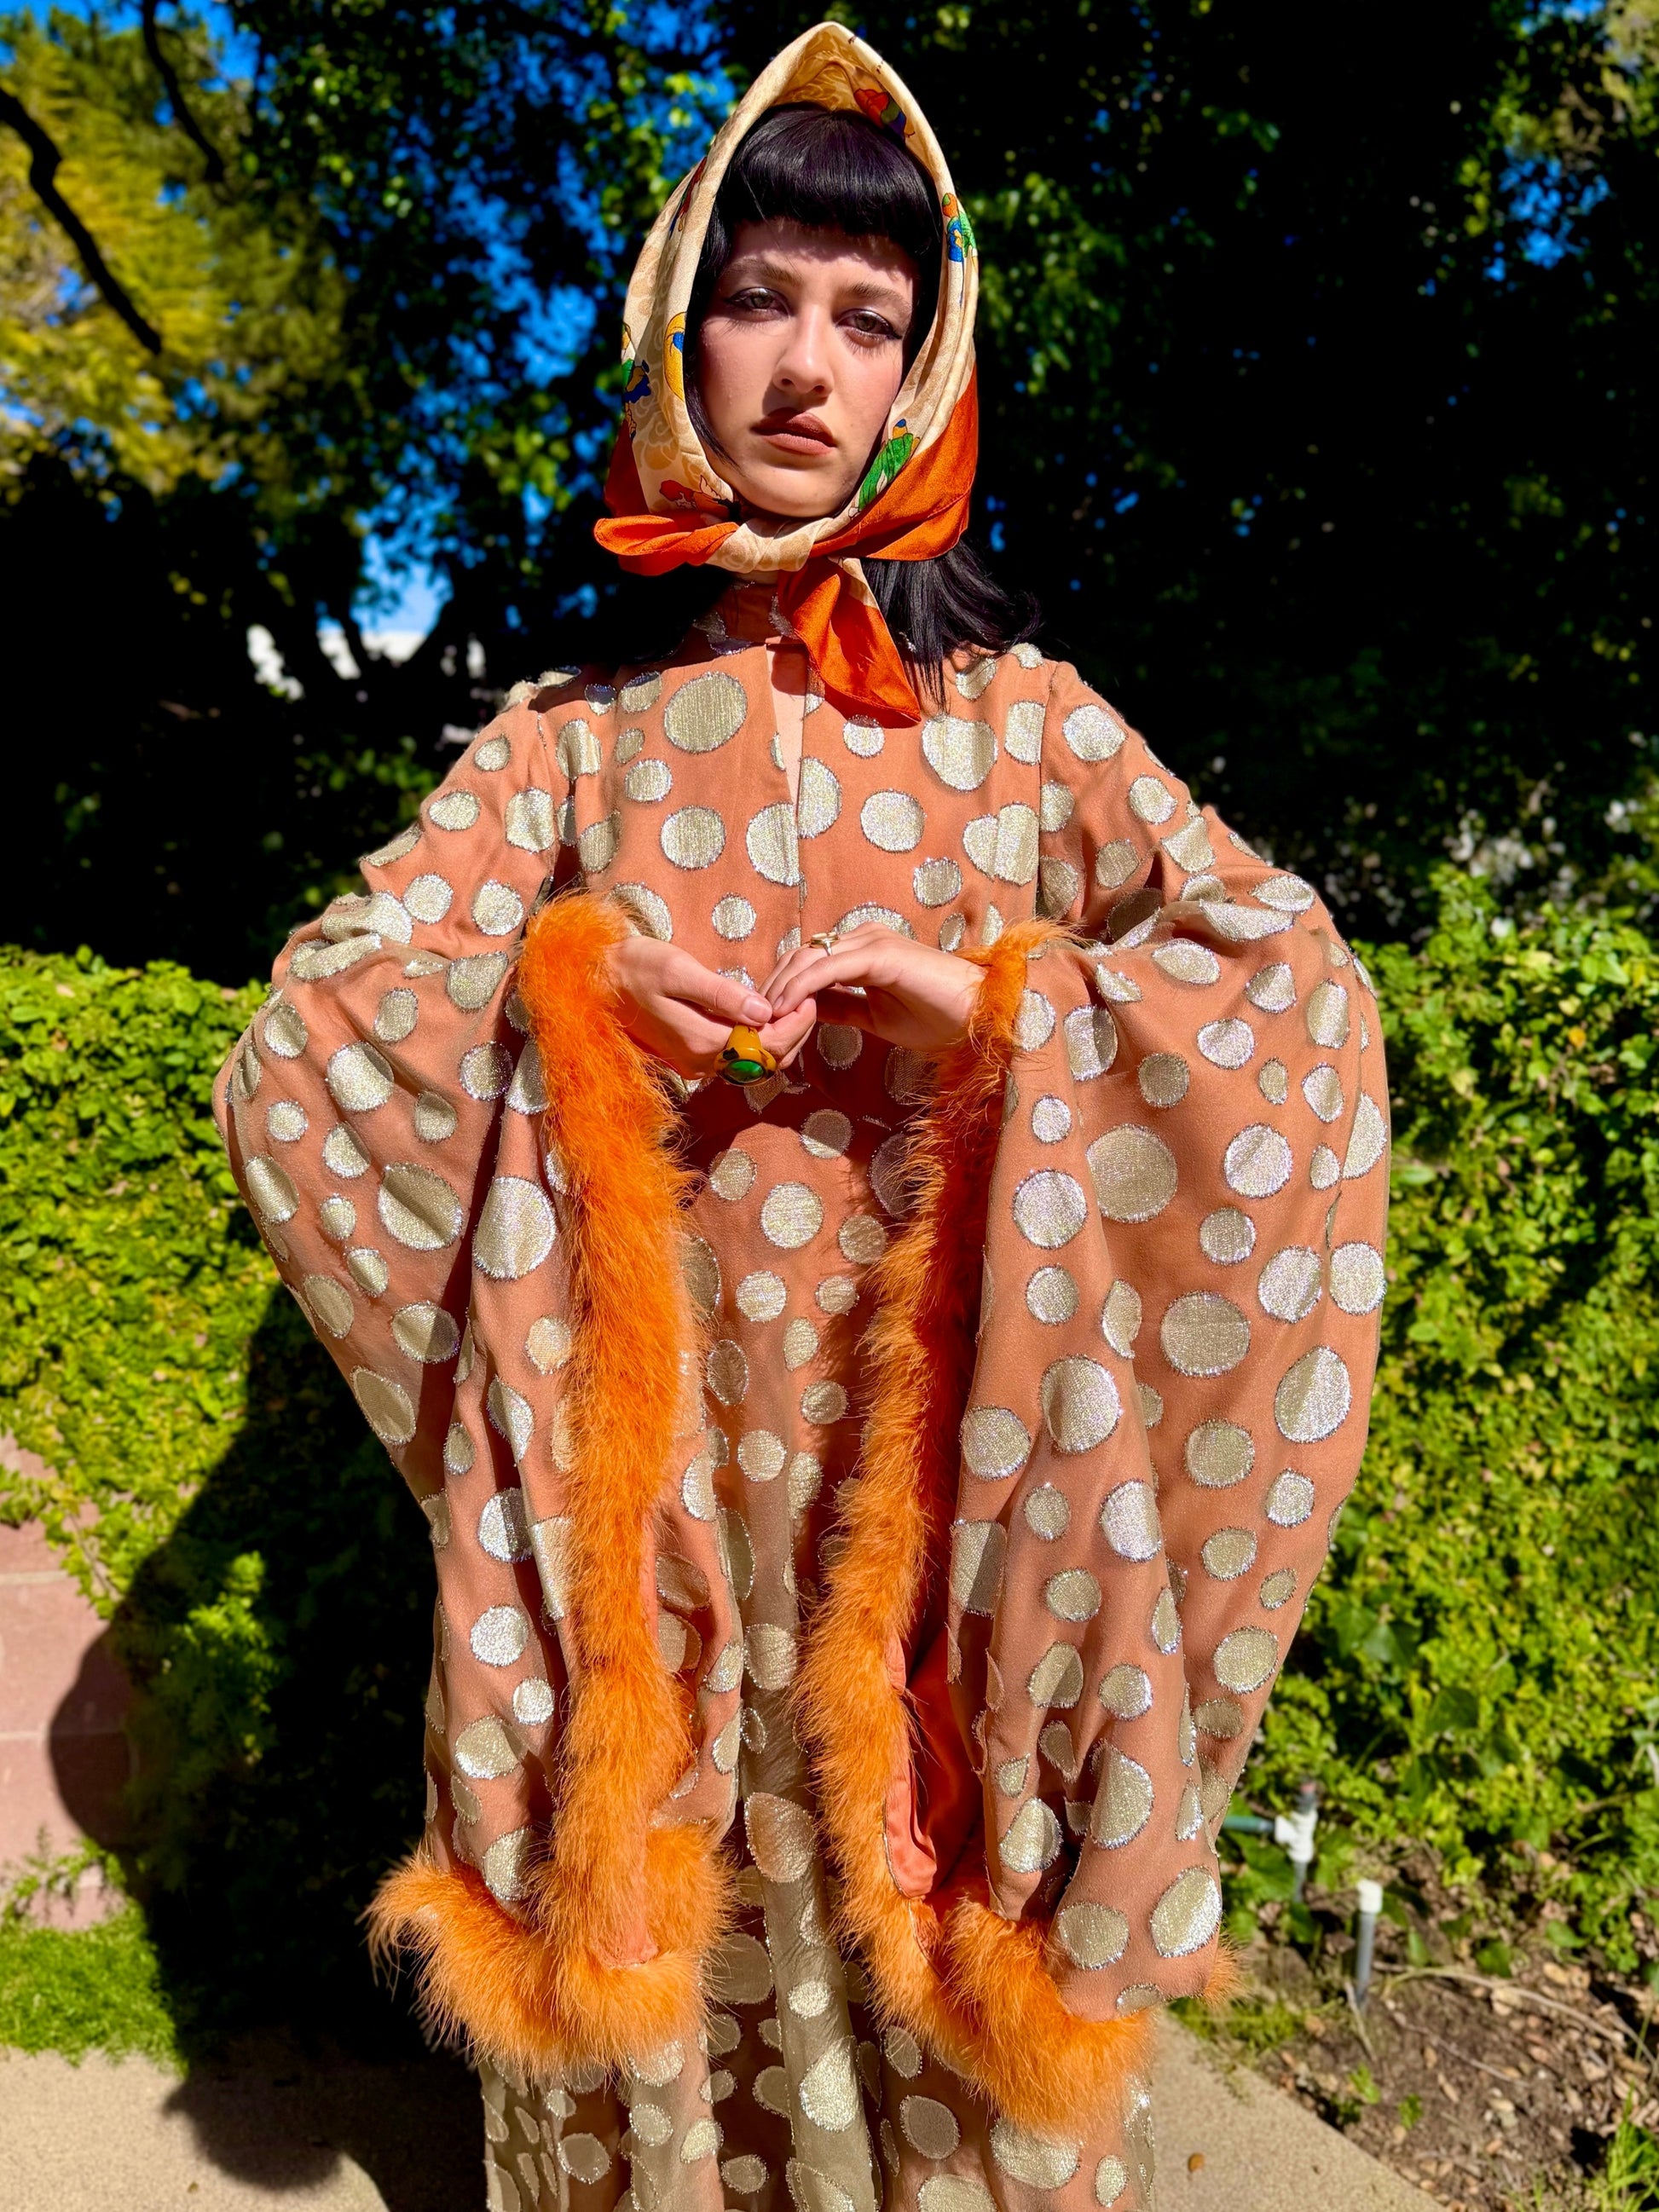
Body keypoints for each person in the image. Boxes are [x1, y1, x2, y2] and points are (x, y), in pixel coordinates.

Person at [216, 22, 1389, 2211]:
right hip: (644, 1495)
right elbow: (315, 1027)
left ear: (925, 368)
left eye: (870, 318)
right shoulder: (572, 734)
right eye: (759, 297)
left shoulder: (1025, 726)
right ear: (681, 321)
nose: (803, 367)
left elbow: (1291, 994)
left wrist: (1015, 1010)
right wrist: (564, 1000)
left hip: (925, 1480)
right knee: (664, 1850)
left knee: (916, 1854)